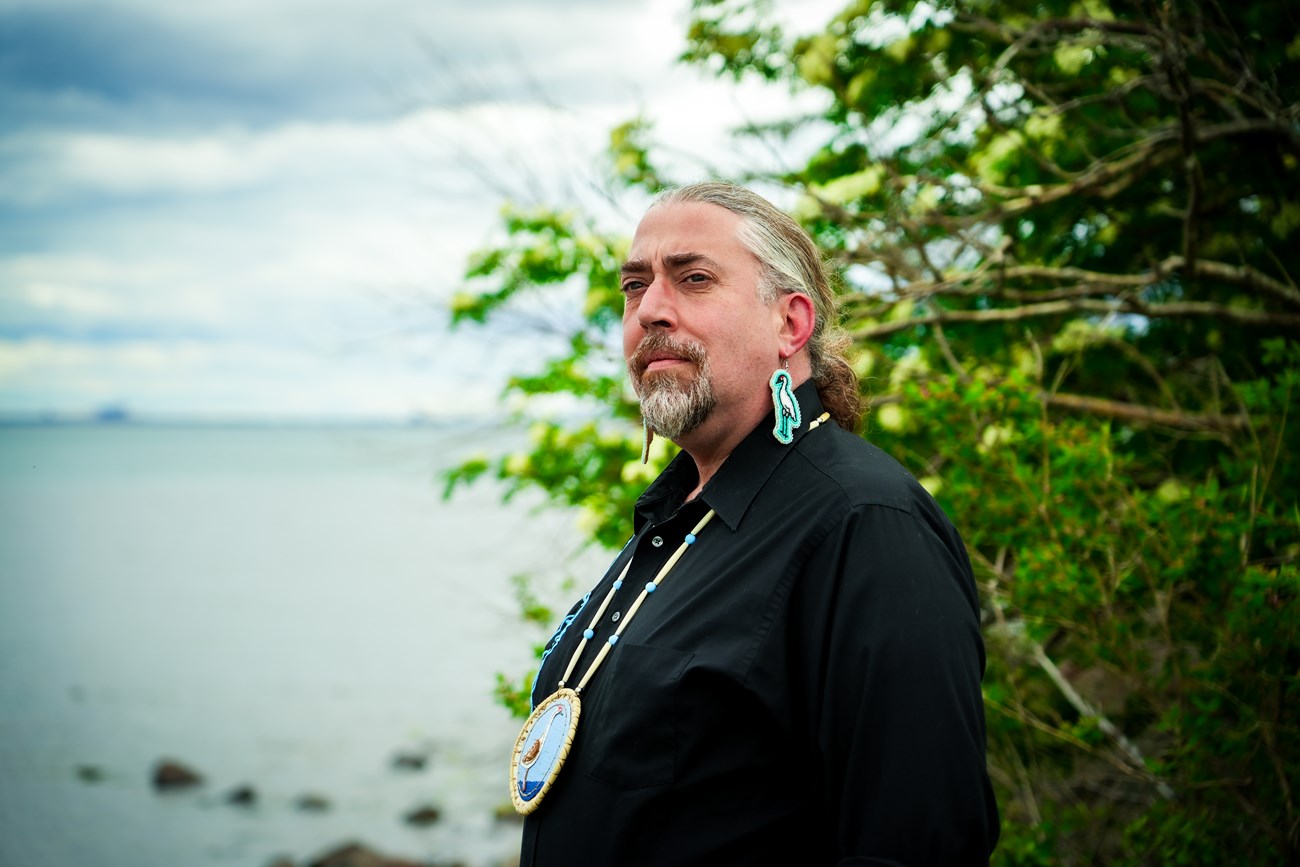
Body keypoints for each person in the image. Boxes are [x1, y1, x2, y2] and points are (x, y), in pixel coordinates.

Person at [509, 181, 999, 866]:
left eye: (694, 278)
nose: (649, 309)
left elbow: (916, 843)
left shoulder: (866, 524)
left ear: (789, 324)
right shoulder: (677, 516)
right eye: (634, 285)